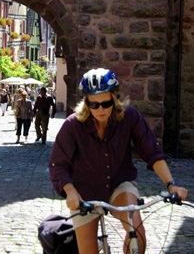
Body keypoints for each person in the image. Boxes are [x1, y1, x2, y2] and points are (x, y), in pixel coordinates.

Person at [49, 68, 188, 254]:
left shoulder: (129, 116)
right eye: (94, 104)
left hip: (119, 184)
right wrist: (71, 192)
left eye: (106, 103)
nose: (101, 110)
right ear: (86, 103)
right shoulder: (73, 125)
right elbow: (58, 164)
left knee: (136, 232)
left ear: (114, 98)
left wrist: (172, 185)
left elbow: (152, 151)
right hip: (84, 192)